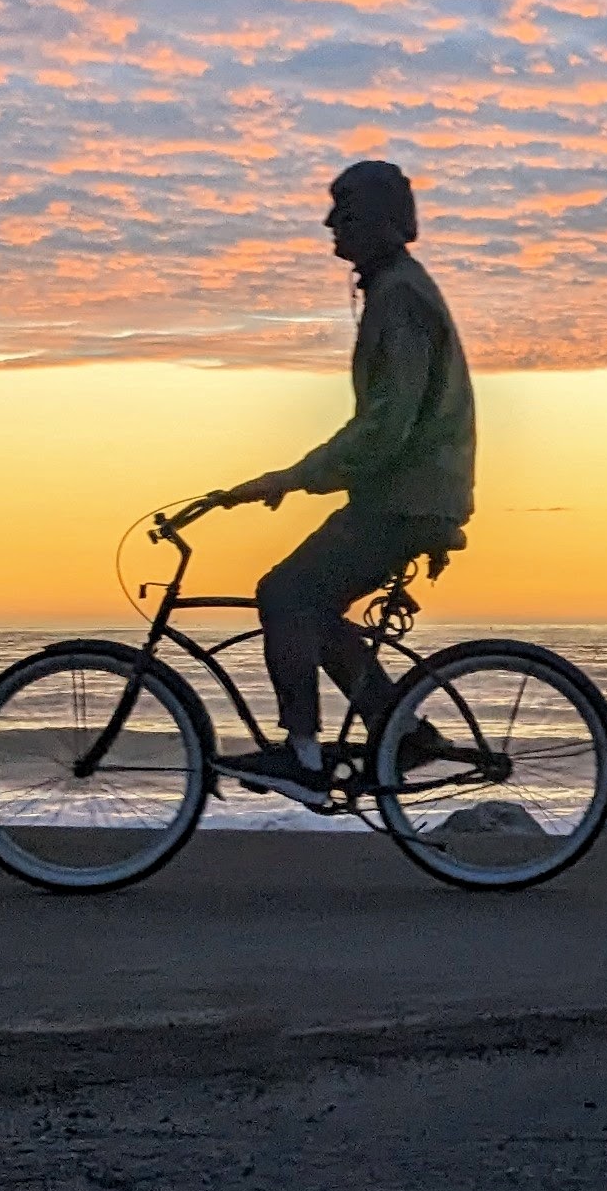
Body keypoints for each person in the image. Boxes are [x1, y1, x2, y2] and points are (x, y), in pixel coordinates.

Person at [198, 159, 479, 805]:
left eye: (344, 210)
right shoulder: (395, 289)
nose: (330, 222)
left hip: (407, 499)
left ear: (382, 221)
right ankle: (399, 728)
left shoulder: (399, 295)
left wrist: (294, 477)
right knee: (315, 608)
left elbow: (386, 427)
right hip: (408, 495)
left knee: (286, 594)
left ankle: (301, 755)